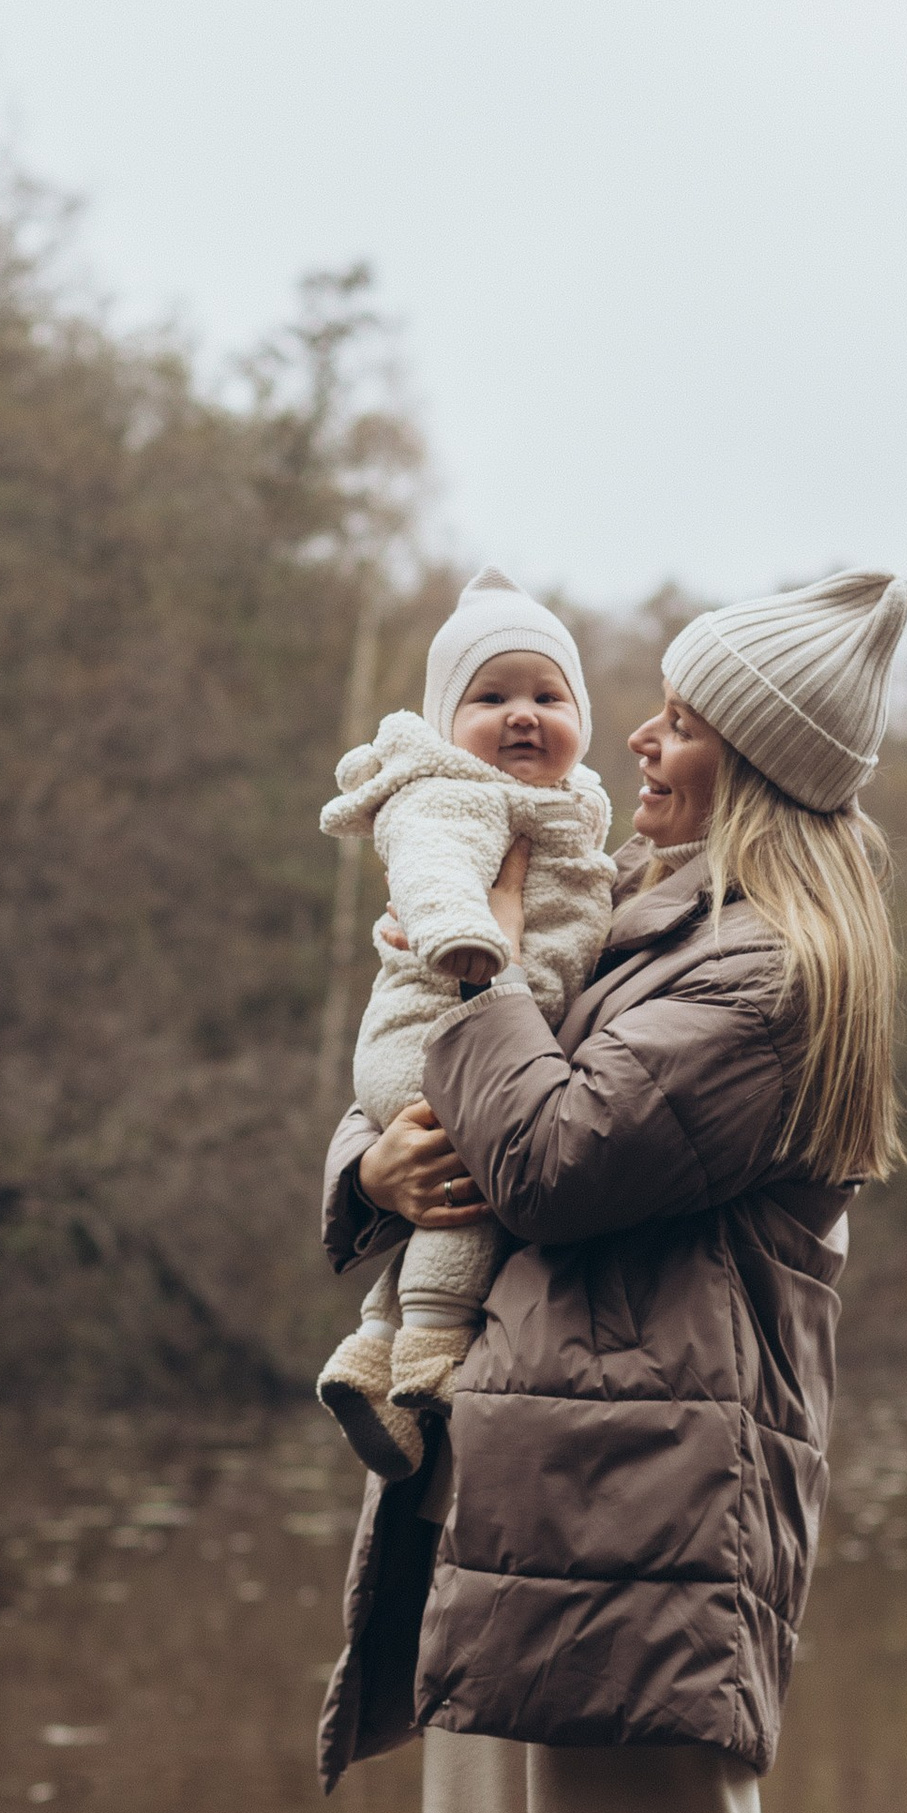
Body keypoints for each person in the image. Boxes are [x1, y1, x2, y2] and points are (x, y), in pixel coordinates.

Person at [324, 567, 907, 1813]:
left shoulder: (772, 972)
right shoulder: (648, 923)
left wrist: (479, 968)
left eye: (673, 716)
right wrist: (381, 1157)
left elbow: (562, 1156)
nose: (637, 738)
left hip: (656, 1504)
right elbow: (466, 1121)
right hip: (525, 1484)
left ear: (747, 756)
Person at [314, 569, 614, 1480]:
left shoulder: (573, 813)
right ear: (449, 724)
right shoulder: (456, 794)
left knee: (440, 1190)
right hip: (436, 1029)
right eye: (491, 697)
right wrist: (468, 939)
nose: (522, 714)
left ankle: (372, 1351)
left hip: (463, 1039)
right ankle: (430, 1364)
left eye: (546, 696)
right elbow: (434, 866)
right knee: (469, 1193)